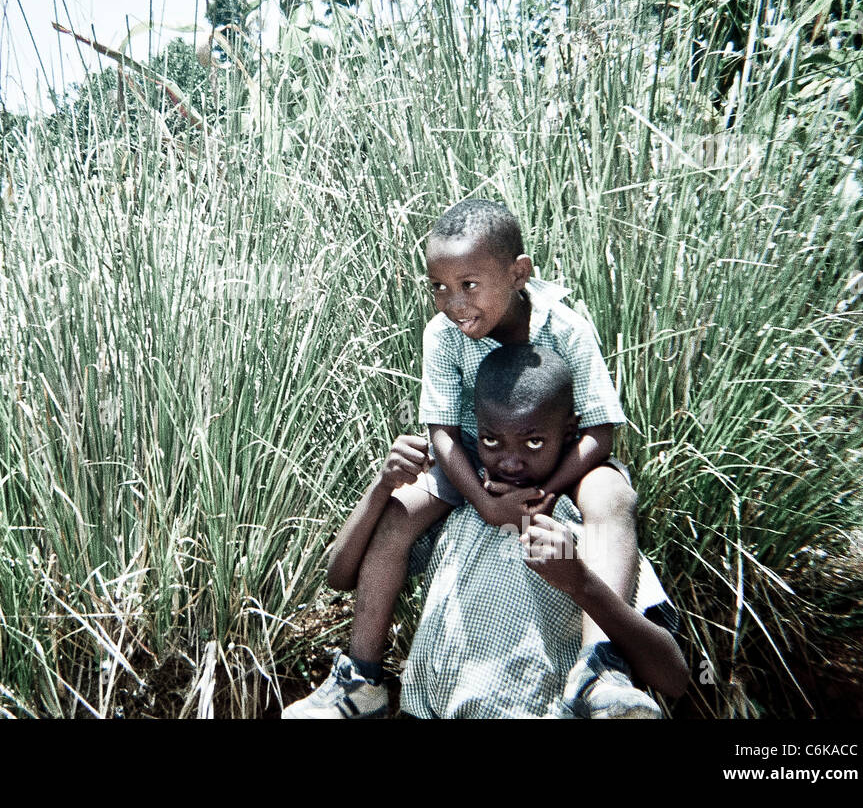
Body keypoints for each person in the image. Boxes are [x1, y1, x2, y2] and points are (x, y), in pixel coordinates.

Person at [284, 198, 658, 719]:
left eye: (469, 285)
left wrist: (547, 494)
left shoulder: (566, 328)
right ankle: (360, 679)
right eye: (439, 286)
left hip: (558, 465)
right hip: (471, 460)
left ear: (518, 273)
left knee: (612, 493)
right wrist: (486, 503)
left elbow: (599, 430)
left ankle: (602, 667)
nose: (453, 303)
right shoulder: (441, 336)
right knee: (397, 515)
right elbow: (440, 431)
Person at [398, 345, 688, 717]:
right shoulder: (459, 514)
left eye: (534, 442)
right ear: (475, 427)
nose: (510, 461)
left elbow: (673, 676)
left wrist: (580, 581)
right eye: (491, 441)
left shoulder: (583, 532)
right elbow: (343, 573)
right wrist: (381, 489)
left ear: (569, 433)